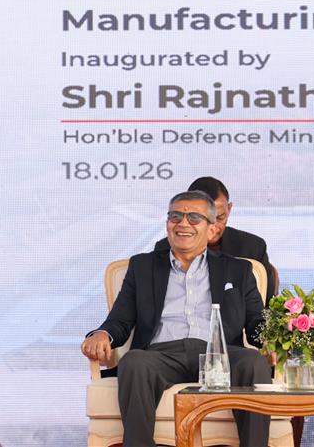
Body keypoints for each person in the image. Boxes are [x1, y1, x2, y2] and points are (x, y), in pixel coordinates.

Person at [81, 190, 271, 447]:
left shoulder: (238, 269)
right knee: (134, 362)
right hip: (161, 355)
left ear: (212, 228)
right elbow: (120, 319)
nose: (183, 223)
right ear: (167, 223)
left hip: (220, 356)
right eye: (175, 216)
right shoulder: (142, 266)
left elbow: (257, 321)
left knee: (253, 361)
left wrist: (273, 341)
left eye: (194, 217)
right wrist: (101, 334)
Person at [154, 176, 275, 303]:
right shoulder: (165, 248)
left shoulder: (252, 247)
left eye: (220, 217)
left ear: (229, 209)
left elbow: (267, 306)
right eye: (199, 218)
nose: (213, 226)